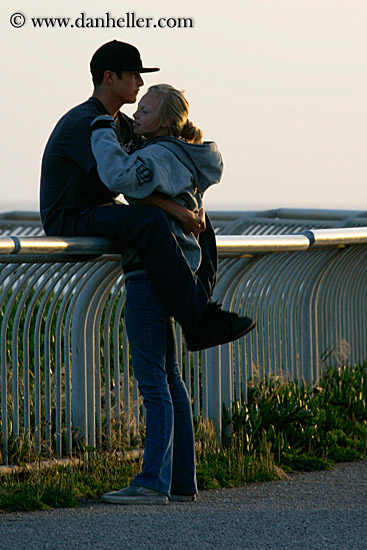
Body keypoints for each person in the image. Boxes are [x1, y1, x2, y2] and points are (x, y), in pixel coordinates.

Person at [39, 40, 255, 351]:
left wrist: (193, 211)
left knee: (205, 231)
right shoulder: (86, 122)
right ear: (110, 77)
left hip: (102, 210)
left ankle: (199, 312)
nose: (140, 82)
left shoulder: (123, 125)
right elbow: (128, 186)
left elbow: (149, 179)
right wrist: (179, 213)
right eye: (134, 74)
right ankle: (198, 319)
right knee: (152, 220)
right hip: (71, 218)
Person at [98, 84, 232, 504]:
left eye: (145, 110)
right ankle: (181, 481)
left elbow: (121, 179)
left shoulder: (159, 156)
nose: (136, 115)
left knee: (153, 380)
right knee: (170, 377)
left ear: (165, 121)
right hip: (172, 273)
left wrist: (103, 131)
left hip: (149, 274)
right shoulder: (183, 157)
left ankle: (152, 481)